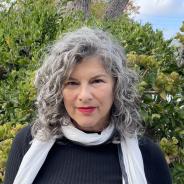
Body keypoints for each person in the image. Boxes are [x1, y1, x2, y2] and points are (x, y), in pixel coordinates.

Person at [4, 27, 172, 184]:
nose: (84, 96)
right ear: (58, 89)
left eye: (97, 81)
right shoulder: (28, 141)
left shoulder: (148, 155)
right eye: (72, 83)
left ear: (117, 85)